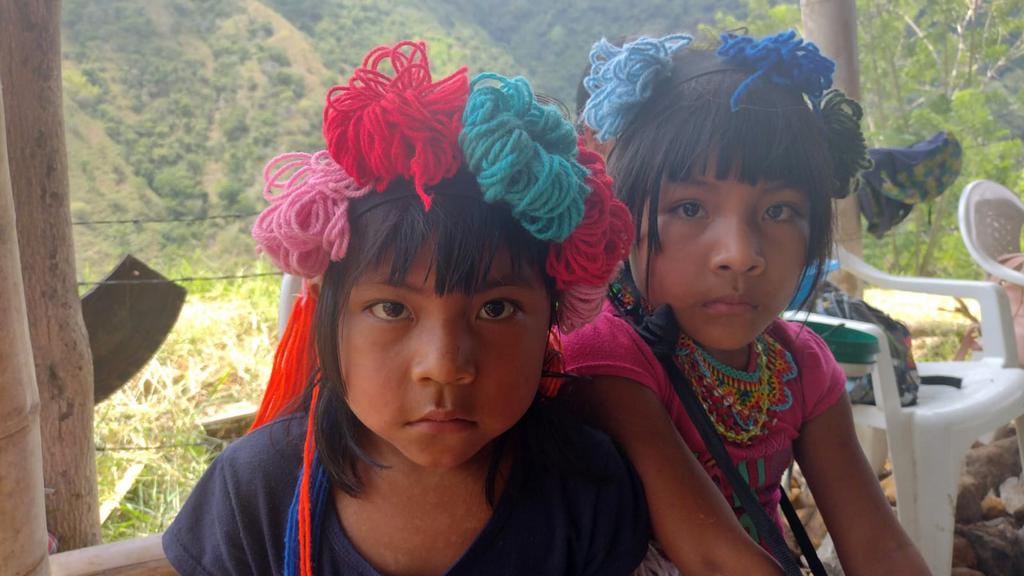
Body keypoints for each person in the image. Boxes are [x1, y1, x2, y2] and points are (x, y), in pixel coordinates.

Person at [161, 40, 652, 576]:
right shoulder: (257, 490)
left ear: (554, 320)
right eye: (392, 309)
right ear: (328, 314)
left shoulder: (587, 487)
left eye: (496, 310)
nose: (444, 365)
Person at [563, 31, 931, 575]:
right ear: (622, 217)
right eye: (688, 208)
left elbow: (881, 548)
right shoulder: (606, 357)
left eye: (779, 211)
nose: (740, 256)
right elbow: (713, 558)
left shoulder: (799, 365)